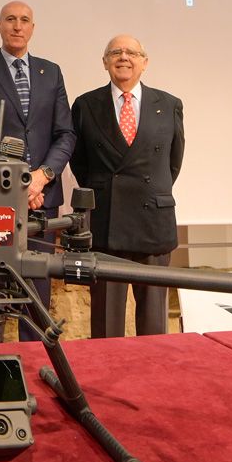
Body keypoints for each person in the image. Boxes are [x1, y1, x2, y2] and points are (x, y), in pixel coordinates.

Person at [0, 0, 75, 336]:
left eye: (24, 20)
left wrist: (42, 177)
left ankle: (35, 359)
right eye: (10, 19)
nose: (17, 26)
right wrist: (18, 183)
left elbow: (65, 134)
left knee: (37, 290)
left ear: (33, 28)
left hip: (43, 199)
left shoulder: (50, 71)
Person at [70, 34, 184, 338]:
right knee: (106, 326)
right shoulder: (86, 105)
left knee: (154, 325)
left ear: (144, 63)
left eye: (132, 52)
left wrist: (150, 191)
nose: (124, 57)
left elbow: (173, 163)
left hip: (153, 224)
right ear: (105, 62)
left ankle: (152, 382)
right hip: (107, 224)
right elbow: (79, 162)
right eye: (116, 52)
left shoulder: (169, 104)